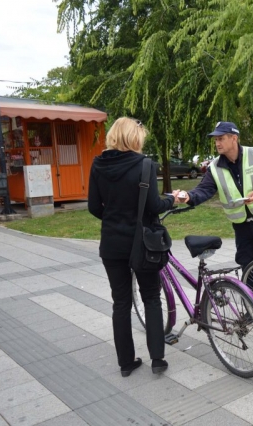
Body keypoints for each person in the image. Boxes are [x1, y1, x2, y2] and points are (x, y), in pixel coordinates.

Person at [88, 117, 177, 377]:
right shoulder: (145, 165)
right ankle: (158, 359)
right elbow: (154, 206)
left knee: (121, 302)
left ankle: (126, 363)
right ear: (134, 138)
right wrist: (172, 199)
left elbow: (94, 206)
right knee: (151, 297)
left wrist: (114, 219)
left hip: (112, 243)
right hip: (142, 243)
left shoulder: (98, 164)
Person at [175, 121, 253, 302]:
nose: (217, 143)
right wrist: (188, 196)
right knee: (248, 268)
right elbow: (204, 189)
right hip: (241, 226)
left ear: (234, 138)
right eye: (216, 139)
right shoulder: (215, 167)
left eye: (221, 138)